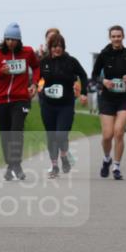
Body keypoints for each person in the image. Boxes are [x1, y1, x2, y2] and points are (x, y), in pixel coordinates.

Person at [0, 23, 40, 181]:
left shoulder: (27, 52)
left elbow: (37, 68)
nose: (10, 42)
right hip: (2, 100)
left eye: (14, 39)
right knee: (5, 135)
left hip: (21, 99)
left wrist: (34, 84)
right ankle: (11, 165)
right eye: (8, 39)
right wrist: (1, 72)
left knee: (16, 131)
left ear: (19, 40)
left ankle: (16, 165)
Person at [91, 25, 126, 180]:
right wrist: (103, 81)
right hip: (107, 98)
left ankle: (117, 167)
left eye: (119, 36)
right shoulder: (104, 54)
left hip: (125, 98)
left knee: (119, 132)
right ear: (110, 38)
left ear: (123, 37)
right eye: (114, 36)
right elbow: (94, 75)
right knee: (107, 135)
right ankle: (107, 159)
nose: (116, 39)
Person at [38, 32, 89, 177]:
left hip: (65, 105)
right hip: (48, 104)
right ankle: (54, 166)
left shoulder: (71, 61)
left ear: (64, 47)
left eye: (60, 46)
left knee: (61, 135)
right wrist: (37, 87)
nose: (57, 49)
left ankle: (64, 157)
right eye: (54, 46)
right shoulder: (44, 62)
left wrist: (84, 93)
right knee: (51, 136)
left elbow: (83, 75)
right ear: (50, 47)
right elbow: (37, 79)